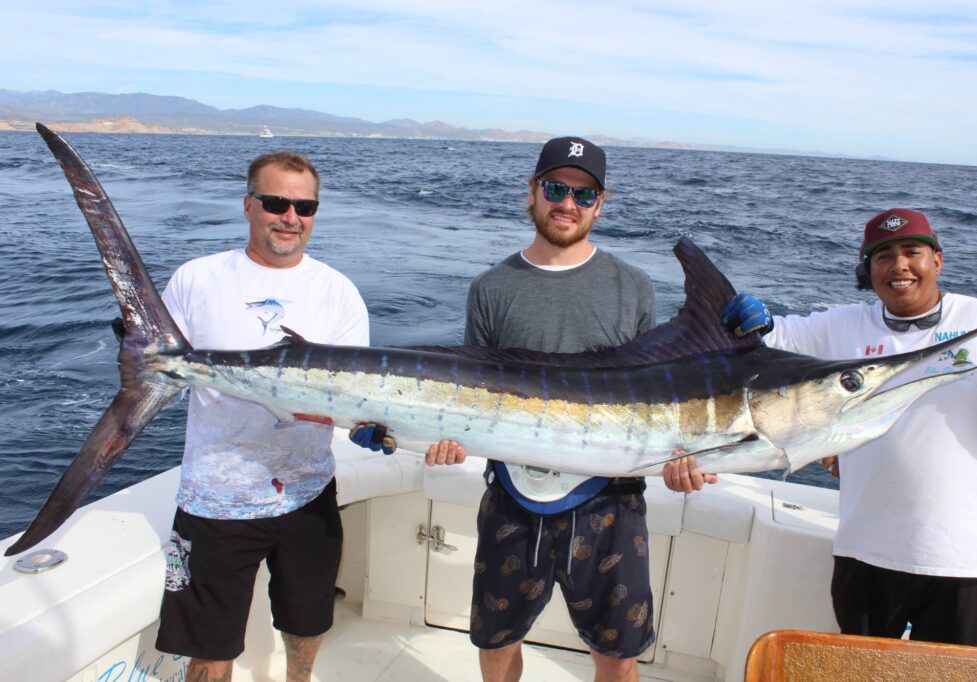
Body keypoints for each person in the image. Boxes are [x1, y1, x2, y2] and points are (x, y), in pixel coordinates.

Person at [422, 137, 715, 682]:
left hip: (610, 500)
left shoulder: (633, 286)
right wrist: (442, 436)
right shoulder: (492, 287)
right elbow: (468, 394)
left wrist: (681, 458)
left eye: (585, 194)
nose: (568, 203)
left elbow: (654, 396)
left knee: (618, 652)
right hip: (513, 493)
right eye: (556, 188)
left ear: (600, 204)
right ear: (532, 192)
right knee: (495, 638)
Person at [723, 207, 977, 646]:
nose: (898, 265)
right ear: (868, 269)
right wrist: (747, 318)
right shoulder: (843, 325)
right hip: (866, 553)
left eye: (911, 251)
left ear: (937, 260)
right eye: (883, 256)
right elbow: (770, 337)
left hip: (967, 562)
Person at [154, 151, 370, 681]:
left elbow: (354, 401)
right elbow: (158, 369)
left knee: (308, 620)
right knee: (209, 645)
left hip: (307, 493)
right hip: (215, 499)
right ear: (248, 205)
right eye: (276, 203)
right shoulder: (195, 279)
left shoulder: (338, 291)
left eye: (305, 206)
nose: (290, 217)